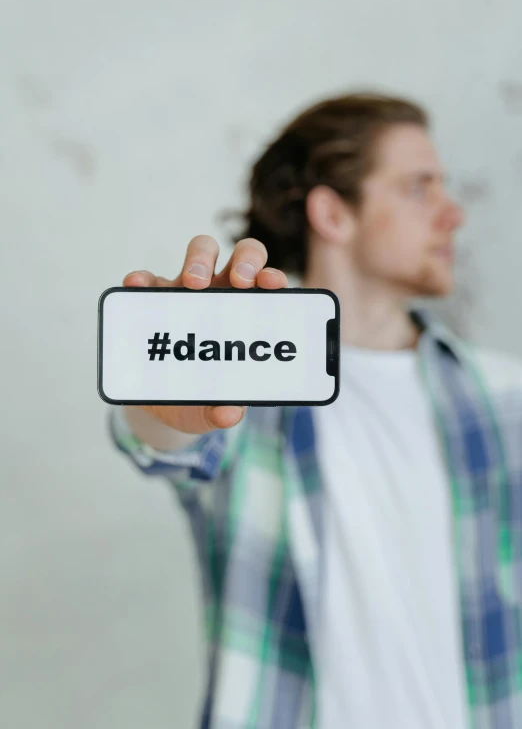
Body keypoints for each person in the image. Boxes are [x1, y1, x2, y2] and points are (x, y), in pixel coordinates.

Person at [108, 93, 522, 729]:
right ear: (332, 211)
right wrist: (160, 395)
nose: (454, 214)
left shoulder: (506, 399)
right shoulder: (246, 392)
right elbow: (159, 439)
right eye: (420, 187)